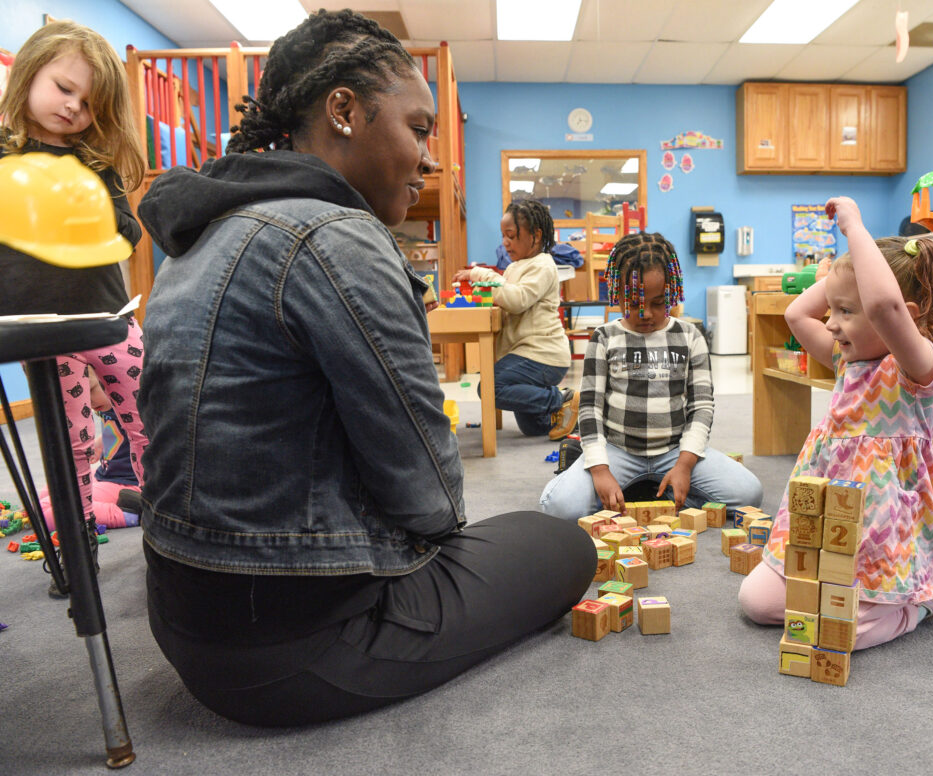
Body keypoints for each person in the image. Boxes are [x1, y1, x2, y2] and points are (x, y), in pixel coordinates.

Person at [135, 9, 595, 727]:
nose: (429, 158)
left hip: (183, 622)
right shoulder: (337, 237)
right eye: (418, 129)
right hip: (297, 647)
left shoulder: (199, 233)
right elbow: (433, 502)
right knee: (563, 544)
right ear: (343, 111)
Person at [739, 196, 933, 649]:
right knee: (756, 603)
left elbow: (884, 309)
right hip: (825, 522)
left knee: (838, 634)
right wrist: (843, 279)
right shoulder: (846, 359)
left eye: (846, 313)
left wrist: (856, 229)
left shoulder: (919, 368)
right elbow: (797, 314)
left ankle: (916, 606)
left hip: (883, 538)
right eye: (833, 311)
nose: (832, 324)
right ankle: (849, 594)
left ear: (908, 318)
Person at [0, 20, 148, 573]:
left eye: (87, 103)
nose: (72, 108)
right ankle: (79, 531)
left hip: (109, 322)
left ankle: (171, 526)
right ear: (29, 72)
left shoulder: (94, 165)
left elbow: (127, 232)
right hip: (39, 329)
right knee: (72, 440)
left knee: (149, 422)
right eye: (64, 88)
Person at [540, 231, 763, 519]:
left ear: (672, 292)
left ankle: (656, 488)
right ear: (617, 294)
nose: (645, 313)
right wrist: (599, 468)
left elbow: (701, 408)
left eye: (658, 303)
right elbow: (590, 409)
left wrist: (684, 464)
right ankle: (613, 477)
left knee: (749, 493)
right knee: (559, 508)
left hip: (674, 451)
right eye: (634, 302)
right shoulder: (604, 338)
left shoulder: (690, 337)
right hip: (617, 450)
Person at [452, 199, 577, 439]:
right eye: (503, 236)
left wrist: (479, 273)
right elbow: (503, 294)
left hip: (543, 355)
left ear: (536, 236)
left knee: (490, 388)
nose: (505, 242)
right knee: (534, 428)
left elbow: (517, 299)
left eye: (511, 235)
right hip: (526, 353)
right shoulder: (516, 267)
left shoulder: (543, 265)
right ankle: (573, 416)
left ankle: (561, 399)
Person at [38, 369, 141, 531]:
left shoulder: (128, 403)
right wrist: (102, 442)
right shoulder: (105, 404)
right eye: (82, 395)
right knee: (48, 492)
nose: (89, 401)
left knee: (48, 513)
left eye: (92, 390)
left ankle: (134, 514)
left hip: (126, 483)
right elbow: (120, 430)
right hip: (106, 473)